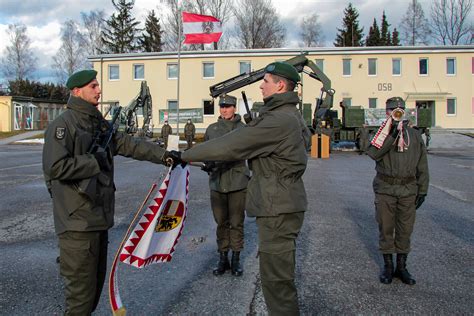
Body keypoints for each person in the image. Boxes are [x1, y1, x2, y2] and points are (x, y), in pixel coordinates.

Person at [168, 62, 311, 315]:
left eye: (265, 81)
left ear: (280, 85)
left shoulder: (279, 120)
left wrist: (186, 155)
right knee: (277, 279)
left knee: (277, 283)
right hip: (280, 203)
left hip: (277, 207)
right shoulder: (290, 115)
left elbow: (232, 145)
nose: (261, 85)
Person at [42, 69, 170, 315]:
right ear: (76, 91)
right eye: (93, 86)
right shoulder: (64, 125)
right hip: (77, 226)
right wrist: (94, 161)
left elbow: (128, 144)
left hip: (97, 220)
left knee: (91, 297)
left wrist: (165, 156)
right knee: (79, 302)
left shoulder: (96, 123)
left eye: (98, 85)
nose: (99, 90)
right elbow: (55, 167)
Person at [367, 97, 429, 286]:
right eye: (393, 109)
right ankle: (387, 266)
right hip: (386, 188)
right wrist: (392, 133)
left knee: (405, 230)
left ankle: (401, 267)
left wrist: (423, 189)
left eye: (400, 109)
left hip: (408, 189)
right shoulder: (380, 135)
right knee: (386, 228)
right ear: (387, 112)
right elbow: (374, 154)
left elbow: (422, 165)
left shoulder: (415, 135)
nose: (397, 112)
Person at [202, 94, 250, 277]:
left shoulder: (244, 129)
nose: (224, 110)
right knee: (221, 222)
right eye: (222, 106)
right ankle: (223, 258)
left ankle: (236, 259)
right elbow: (205, 150)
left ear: (234, 108)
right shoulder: (212, 129)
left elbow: (246, 151)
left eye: (228, 106)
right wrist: (207, 162)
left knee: (237, 222)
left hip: (237, 181)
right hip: (217, 181)